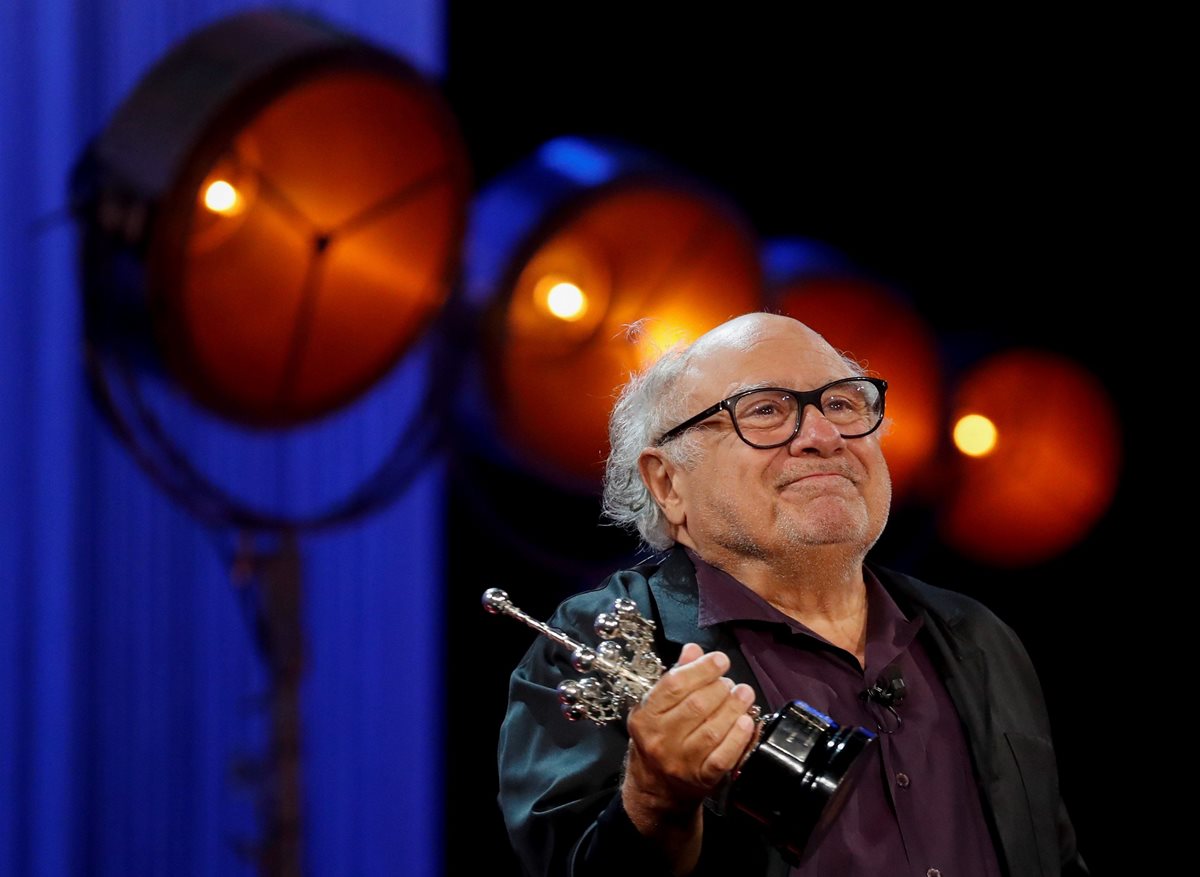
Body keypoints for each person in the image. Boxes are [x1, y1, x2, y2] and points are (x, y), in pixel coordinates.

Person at [495, 312, 1087, 876]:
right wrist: (655, 801)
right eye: (766, 411)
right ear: (668, 483)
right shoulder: (598, 647)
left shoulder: (978, 638)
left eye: (842, 402)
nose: (825, 435)